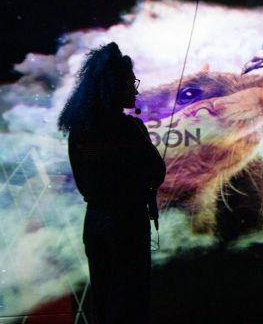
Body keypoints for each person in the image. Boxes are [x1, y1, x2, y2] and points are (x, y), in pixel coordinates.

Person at [58, 42, 165, 323]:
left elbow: (86, 183)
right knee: (131, 305)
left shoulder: (79, 130)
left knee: (104, 305)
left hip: (95, 224)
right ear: (115, 85)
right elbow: (156, 172)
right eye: (131, 82)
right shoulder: (128, 129)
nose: (136, 89)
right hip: (127, 226)